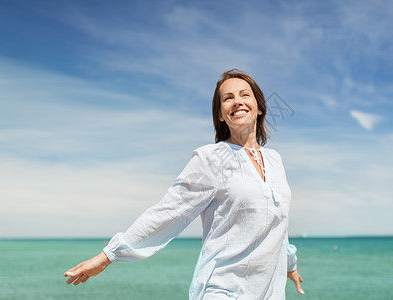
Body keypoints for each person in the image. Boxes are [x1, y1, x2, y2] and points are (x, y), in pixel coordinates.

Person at [64, 69, 304, 299]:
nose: (237, 101)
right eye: (228, 98)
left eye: (244, 95)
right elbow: (169, 210)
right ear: (221, 114)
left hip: (270, 293)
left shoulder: (275, 160)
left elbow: (277, 222)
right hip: (223, 290)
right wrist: (110, 255)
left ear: (259, 107)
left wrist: (289, 264)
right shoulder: (210, 158)